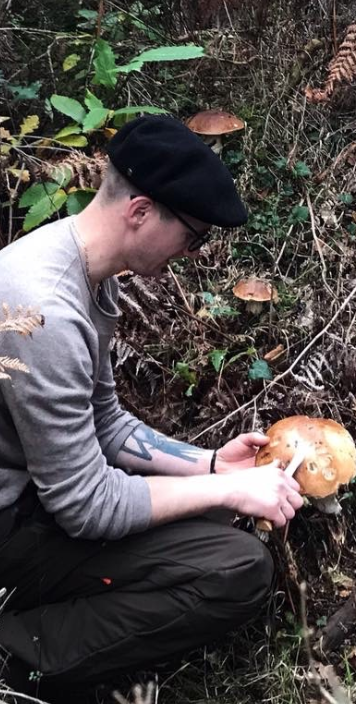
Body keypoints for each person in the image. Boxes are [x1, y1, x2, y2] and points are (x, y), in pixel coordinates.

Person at [0, 115, 304, 701]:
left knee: (216, 518)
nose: (194, 253)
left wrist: (214, 465)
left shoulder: (87, 275)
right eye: (193, 236)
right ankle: (21, 657)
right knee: (237, 569)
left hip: (33, 498)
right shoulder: (44, 313)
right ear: (140, 211)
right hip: (13, 522)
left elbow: (106, 422)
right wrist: (227, 492)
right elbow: (85, 506)